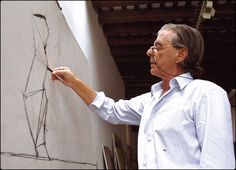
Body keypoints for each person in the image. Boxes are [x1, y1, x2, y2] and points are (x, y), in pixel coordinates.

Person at [51, 23, 235, 169]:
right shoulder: (150, 100)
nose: (149, 52)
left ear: (181, 54)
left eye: (158, 47)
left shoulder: (205, 94)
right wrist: (74, 82)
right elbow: (112, 111)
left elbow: (218, 162)